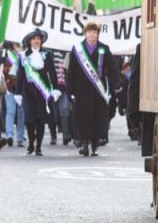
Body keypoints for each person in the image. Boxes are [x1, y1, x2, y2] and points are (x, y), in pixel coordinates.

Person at [65, 21, 119, 157]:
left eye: (94, 32)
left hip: (98, 90)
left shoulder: (104, 49)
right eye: (89, 32)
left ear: (98, 34)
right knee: (83, 116)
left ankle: (94, 144)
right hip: (81, 89)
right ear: (85, 33)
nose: (92, 34)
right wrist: (70, 90)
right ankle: (84, 143)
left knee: (97, 116)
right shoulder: (77, 49)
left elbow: (112, 68)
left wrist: (116, 84)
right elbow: (71, 71)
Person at [15, 28, 60, 155]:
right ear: (29, 41)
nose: (36, 41)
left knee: (41, 119)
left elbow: (52, 73)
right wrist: (18, 93)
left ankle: (38, 147)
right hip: (28, 91)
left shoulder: (47, 54)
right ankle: (31, 143)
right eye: (34, 39)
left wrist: (55, 88)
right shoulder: (23, 55)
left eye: (38, 38)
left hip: (43, 90)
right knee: (30, 119)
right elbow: (20, 75)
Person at [0, 41, 27, 148]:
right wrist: (7, 69)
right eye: (16, 44)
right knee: (11, 111)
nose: (17, 46)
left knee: (21, 112)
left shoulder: (25, 53)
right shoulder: (6, 52)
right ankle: (9, 135)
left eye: (19, 45)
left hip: (22, 87)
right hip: (9, 86)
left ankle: (20, 138)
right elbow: (0, 66)